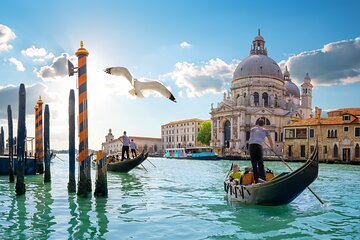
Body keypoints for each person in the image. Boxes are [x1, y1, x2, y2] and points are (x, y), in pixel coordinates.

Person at [248, 119, 274, 183]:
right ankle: (263, 178)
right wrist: (272, 147)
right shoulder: (265, 130)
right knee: (260, 163)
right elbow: (270, 140)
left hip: (251, 146)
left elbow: (252, 137)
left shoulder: (252, 129)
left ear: (257, 123)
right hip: (258, 146)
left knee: (254, 163)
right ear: (263, 124)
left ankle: (256, 180)